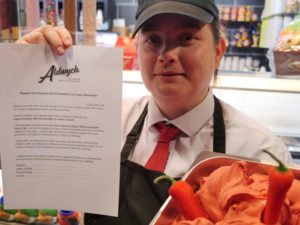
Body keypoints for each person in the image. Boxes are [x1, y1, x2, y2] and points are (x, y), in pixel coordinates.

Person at [16, 0, 294, 224]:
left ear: (219, 50)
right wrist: (19, 83)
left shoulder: (258, 151)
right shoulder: (99, 123)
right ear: (137, 50)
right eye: (152, 39)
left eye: (187, 38)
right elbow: (21, 161)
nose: (166, 54)